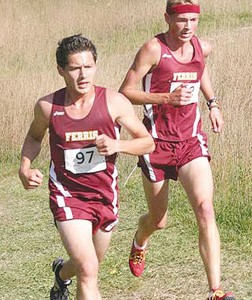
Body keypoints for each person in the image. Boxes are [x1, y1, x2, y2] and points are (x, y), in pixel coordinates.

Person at [18, 34, 154, 300]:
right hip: (68, 197)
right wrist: (24, 167)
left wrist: (118, 145)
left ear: (96, 66)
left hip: (104, 196)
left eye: (88, 66)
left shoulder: (113, 102)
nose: (83, 75)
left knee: (88, 266)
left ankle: (60, 274)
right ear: (61, 70)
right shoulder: (48, 107)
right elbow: (34, 137)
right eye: (75, 68)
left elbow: (147, 143)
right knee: (89, 269)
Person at [119, 1, 236, 299]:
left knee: (205, 209)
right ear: (168, 18)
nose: (187, 27)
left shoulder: (202, 47)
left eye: (193, 20)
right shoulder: (153, 50)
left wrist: (213, 104)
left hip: (190, 142)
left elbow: (200, 72)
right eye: (182, 20)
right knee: (158, 221)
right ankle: (140, 240)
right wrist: (164, 98)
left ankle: (216, 291)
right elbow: (125, 92)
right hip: (155, 144)